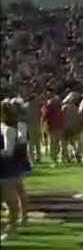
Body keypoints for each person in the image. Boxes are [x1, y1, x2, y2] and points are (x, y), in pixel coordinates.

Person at [0, 100, 26, 240]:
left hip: (6, 170)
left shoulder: (9, 129)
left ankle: (12, 228)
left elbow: (8, 152)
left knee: (11, 201)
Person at [61, 92, 83, 163]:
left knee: (66, 144)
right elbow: (79, 120)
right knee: (73, 144)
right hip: (72, 129)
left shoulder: (65, 108)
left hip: (67, 128)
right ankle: (75, 156)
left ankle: (66, 157)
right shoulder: (76, 109)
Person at [41, 94, 63, 164]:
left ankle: (54, 157)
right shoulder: (57, 105)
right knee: (56, 143)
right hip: (57, 126)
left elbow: (45, 115)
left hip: (53, 126)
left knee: (54, 143)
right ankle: (55, 157)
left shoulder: (50, 105)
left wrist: (42, 121)